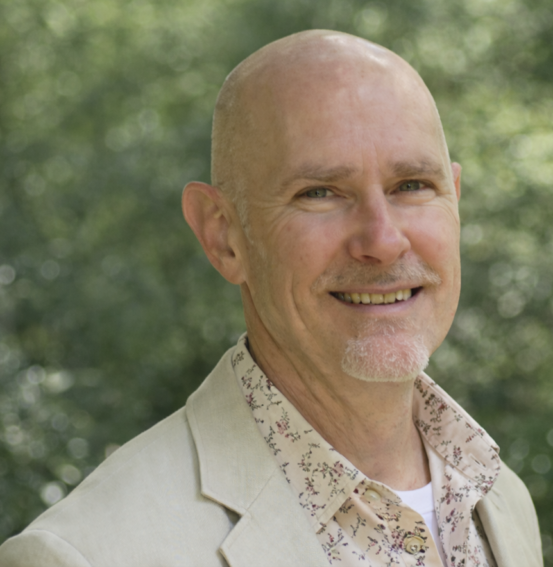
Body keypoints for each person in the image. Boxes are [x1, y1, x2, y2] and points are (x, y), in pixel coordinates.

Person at [0, 31, 542, 567]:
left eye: (413, 185)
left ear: (455, 201)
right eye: (319, 193)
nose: (382, 240)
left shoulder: (498, 496)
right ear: (222, 236)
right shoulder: (86, 554)